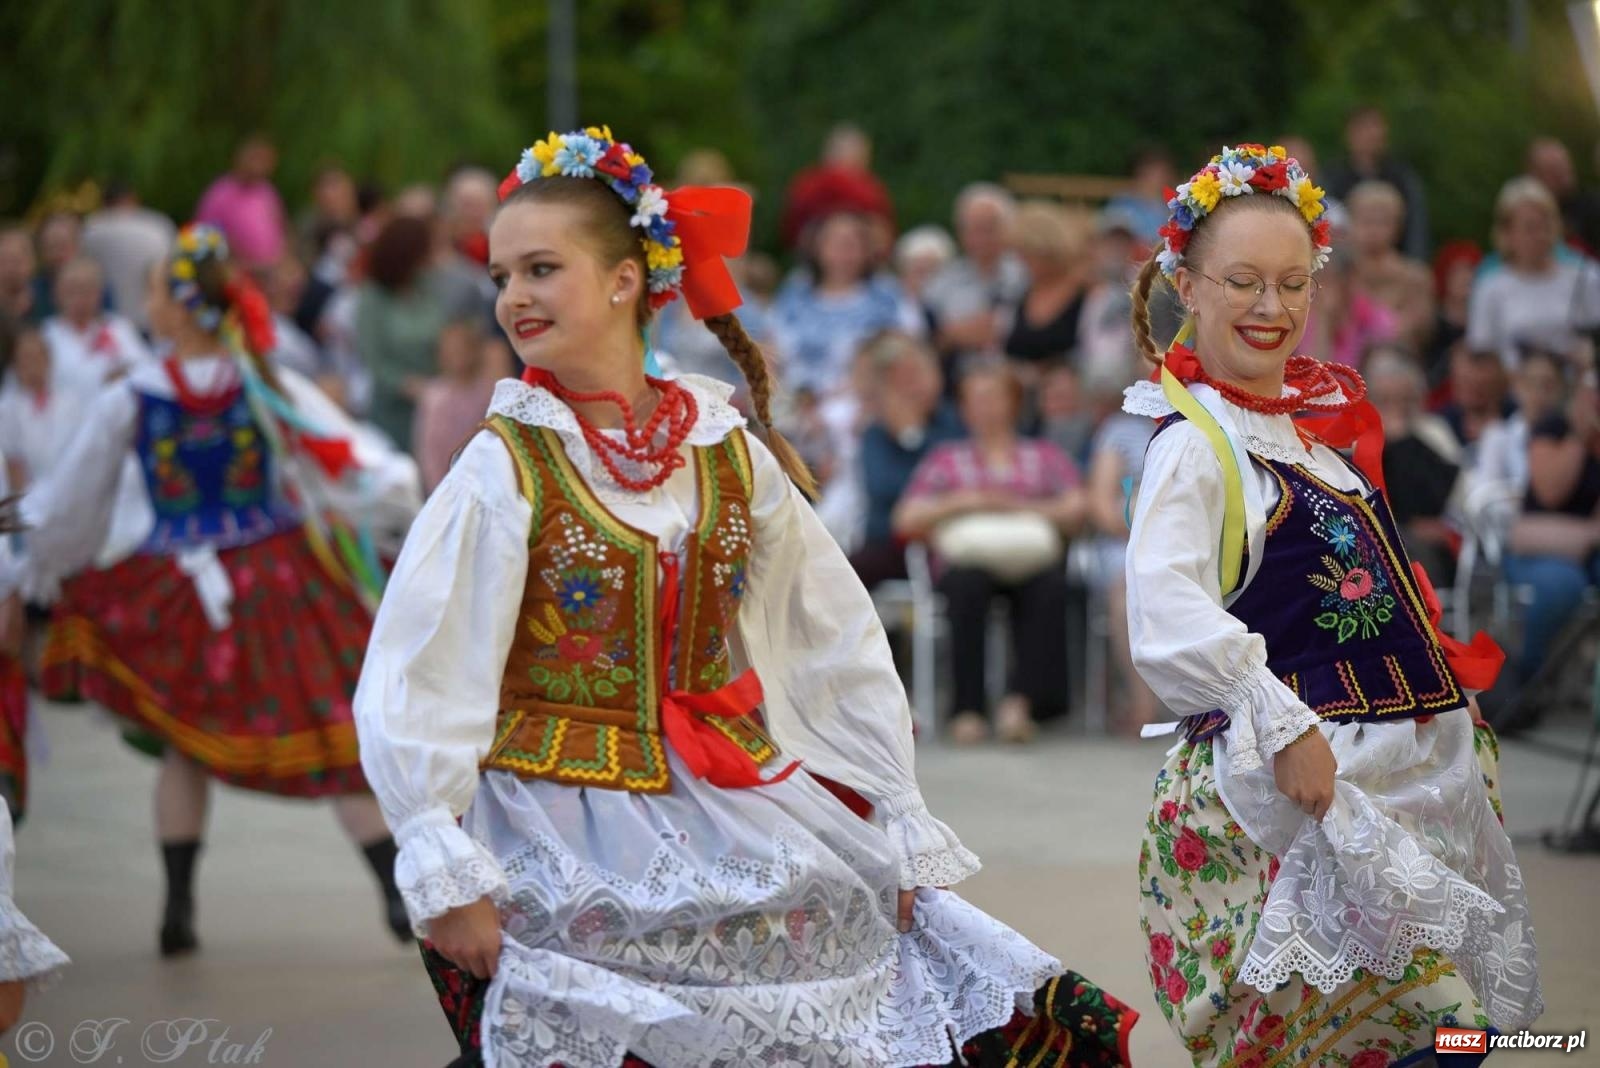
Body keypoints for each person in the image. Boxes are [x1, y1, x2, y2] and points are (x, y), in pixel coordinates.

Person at [354, 126, 1136, 1068]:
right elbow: (422, 664)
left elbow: (829, 641)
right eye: (501, 276)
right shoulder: (505, 464)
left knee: (869, 974)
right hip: (552, 819)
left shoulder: (723, 451)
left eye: (541, 268)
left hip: (720, 793)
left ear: (625, 279)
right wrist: (439, 858)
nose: (513, 295)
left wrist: (888, 811)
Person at [1126, 144, 1541, 1066]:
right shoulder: (1196, 445)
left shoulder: (1305, 435)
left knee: (1445, 1035)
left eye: (1292, 283)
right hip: (1297, 800)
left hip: (1381, 787)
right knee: (1436, 1036)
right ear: (1186, 287)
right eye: (1242, 282)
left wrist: (1437, 690)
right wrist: (1281, 727)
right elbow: (1165, 611)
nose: (1271, 308)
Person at [8, 224, 422, 957]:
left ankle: (178, 908)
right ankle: (392, 889)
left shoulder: (133, 395)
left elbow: (73, 501)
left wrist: (33, 555)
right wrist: (402, 494)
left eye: (154, 292)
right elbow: (346, 456)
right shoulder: (261, 380)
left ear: (176, 307)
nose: (147, 305)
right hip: (276, 579)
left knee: (182, 746)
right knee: (330, 728)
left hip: (182, 586)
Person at [893, 361, 1084, 745]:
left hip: (1029, 562)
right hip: (969, 563)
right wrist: (968, 501)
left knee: (1049, 587)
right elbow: (906, 518)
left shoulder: (1043, 455)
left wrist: (1018, 507)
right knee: (966, 587)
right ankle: (968, 709)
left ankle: (1020, 703)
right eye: (977, 400)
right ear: (964, 409)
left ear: (1013, 403)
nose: (986, 408)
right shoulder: (946, 459)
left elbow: (1078, 508)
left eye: (994, 398)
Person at [848, 332, 962, 590]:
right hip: (890, 542)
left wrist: (914, 436)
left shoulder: (955, 423)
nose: (912, 386)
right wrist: (908, 434)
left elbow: (955, 481)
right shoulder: (876, 432)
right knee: (845, 572)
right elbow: (884, 489)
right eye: (899, 379)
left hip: (947, 540)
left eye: (916, 374)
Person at [1468, 177, 1600, 370]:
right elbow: (1481, 353)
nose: (1540, 236)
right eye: (1530, 228)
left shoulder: (1585, 277)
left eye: (1545, 226)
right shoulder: (1490, 288)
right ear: (1508, 234)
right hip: (1513, 382)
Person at [922, 183, 1029, 376]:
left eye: (989, 228)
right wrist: (954, 335)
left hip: (1015, 378)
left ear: (1008, 228)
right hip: (958, 379)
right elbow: (928, 339)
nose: (980, 238)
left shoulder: (1026, 275)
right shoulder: (942, 281)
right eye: (972, 229)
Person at [1322, 105, 1430, 260]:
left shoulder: (1403, 178)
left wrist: (1413, 261)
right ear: (1350, 134)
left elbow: (1416, 228)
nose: (1371, 134)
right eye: (1364, 128)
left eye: (1375, 127)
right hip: (1347, 261)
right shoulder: (1333, 178)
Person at [40, 256, 151, 398]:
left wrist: (124, 374)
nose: (79, 297)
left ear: (99, 293)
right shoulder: (45, 335)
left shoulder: (118, 327)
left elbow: (146, 369)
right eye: (71, 290)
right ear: (57, 293)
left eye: (86, 290)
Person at [412, 318, 496, 493]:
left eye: (461, 349)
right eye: (450, 351)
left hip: (482, 483)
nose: (457, 356)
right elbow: (428, 451)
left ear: (474, 350)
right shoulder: (434, 396)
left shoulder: (488, 393)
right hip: (443, 484)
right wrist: (439, 490)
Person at [82, 181, 178, 331]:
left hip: (108, 322)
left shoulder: (90, 230)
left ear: (104, 203)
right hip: (151, 319)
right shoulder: (158, 225)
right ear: (133, 198)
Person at [195, 134, 289, 274]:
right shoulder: (220, 193)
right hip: (237, 272)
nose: (259, 166)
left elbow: (281, 227)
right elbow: (206, 234)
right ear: (240, 158)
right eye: (255, 158)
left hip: (272, 271)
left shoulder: (267, 192)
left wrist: (284, 261)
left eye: (265, 161)